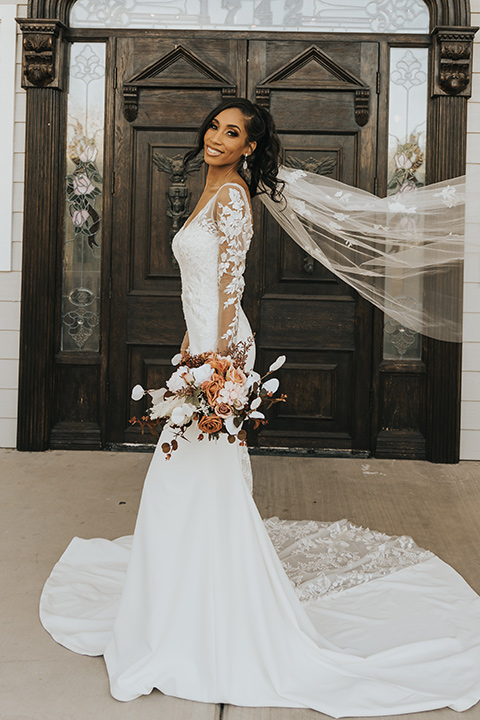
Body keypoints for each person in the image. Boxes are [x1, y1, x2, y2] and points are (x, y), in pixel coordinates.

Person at [40, 98, 480, 717]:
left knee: (193, 475)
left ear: (250, 147)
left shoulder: (233, 199)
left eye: (232, 133)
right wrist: (192, 348)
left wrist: (214, 368)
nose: (216, 138)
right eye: (214, 127)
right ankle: (190, 595)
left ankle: (211, 607)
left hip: (221, 354)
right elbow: (200, 290)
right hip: (202, 346)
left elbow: (227, 286)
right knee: (189, 478)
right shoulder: (209, 187)